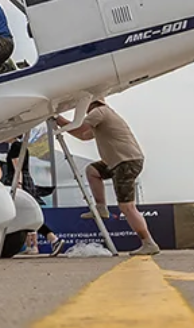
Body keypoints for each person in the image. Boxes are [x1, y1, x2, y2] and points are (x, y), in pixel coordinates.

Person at [57, 99, 158, 255]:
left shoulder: (98, 112)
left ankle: (148, 242)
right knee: (92, 170)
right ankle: (101, 207)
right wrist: (62, 123)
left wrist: (57, 119)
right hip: (119, 161)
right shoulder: (104, 115)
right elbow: (84, 135)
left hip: (125, 162)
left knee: (127, 207)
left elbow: (79, 129)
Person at [0, 136, 66, 256]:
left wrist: (18, 185)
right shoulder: (21, 146)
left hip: (18, 181)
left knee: (26, 215)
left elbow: (17, 166)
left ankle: (51, 240)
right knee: (27, 214)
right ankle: (34, 245)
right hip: (24, 181)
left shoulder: (16, 146)